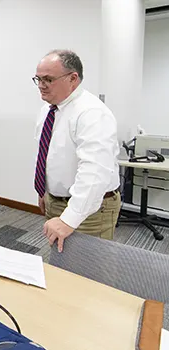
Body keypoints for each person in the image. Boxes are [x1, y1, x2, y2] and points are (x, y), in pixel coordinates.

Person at [33, 50, 120, 252]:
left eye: (48, 79)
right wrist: (44, 190)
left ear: (73, 78)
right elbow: (49, 156)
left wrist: (69, 219)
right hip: (55, 200)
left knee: (89, 272)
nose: (41, 85)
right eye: (38, 79)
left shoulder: (91, 113)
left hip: (91, 208)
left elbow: (95, 172)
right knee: (61, 263)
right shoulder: (48, 110)